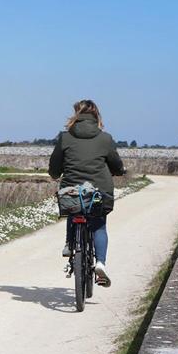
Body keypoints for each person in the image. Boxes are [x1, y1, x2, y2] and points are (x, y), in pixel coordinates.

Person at [48, 100, 125, 287]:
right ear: (97, 116)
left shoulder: (65, 137)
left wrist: (55, 174)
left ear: (76, 115)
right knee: (99, 225)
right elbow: (116, 164)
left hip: (72, 189)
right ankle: (100, 263)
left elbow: (55, 164)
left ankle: (69, 244)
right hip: (99, 190)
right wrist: (118, 171)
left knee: (74, 208)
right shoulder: (105, 138)